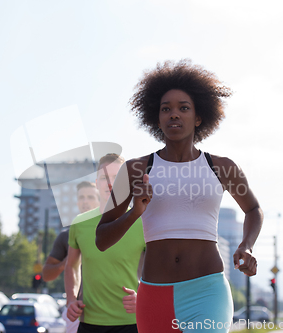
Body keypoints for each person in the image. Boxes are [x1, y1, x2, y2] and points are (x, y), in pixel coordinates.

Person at [95, 59, 263, 333]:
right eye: (166, 109)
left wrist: (247, 245)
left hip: (207, 292)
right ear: (157, 118)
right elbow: (101, 239)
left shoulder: (222, 167)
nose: (174, 114)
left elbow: (253, 210)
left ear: (198, 117)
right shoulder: (136, 169)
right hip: (154, 295)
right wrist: (134, 212)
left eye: (183, 108)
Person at [65, 153, 146, 333]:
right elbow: (71, 266)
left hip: (132, 323)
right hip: (89, 323)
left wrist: (144, 297)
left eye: (117, 177)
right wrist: (71, 299)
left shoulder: (143, 221)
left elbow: (161, 270)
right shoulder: (79, 223)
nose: (110, 183)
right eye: (104, 178)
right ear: (96, 182)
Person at [43, 181, 100, 333]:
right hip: (78, 311)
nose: (85, 201)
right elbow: (46, 274)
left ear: (100, 200)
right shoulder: (66, 236)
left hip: (110, 310)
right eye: (81, 197)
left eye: (90, 197)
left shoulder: (112, 230)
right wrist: (67, 262)